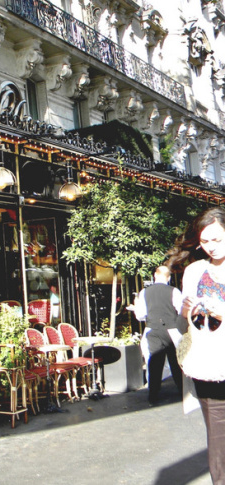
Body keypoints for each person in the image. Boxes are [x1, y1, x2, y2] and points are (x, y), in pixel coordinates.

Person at [166, 207, 225, 484]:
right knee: (219, 441)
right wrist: (187, 311)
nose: (211, 246)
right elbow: (186, 323)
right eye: (205, 241)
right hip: (210, 366)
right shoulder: (194, 271)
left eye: (217, 239)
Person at [128, 265, 184, 406]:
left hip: (152, 329)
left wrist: (136, 308)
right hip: (172, 329)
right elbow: (181, 311)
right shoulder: (174, 291)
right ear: (168, 277)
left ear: (155, 275)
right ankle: (183, 391)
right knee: (176, 362)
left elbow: (141, 315)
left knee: (154, 362)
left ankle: (153, 394)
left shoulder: (144, 292)